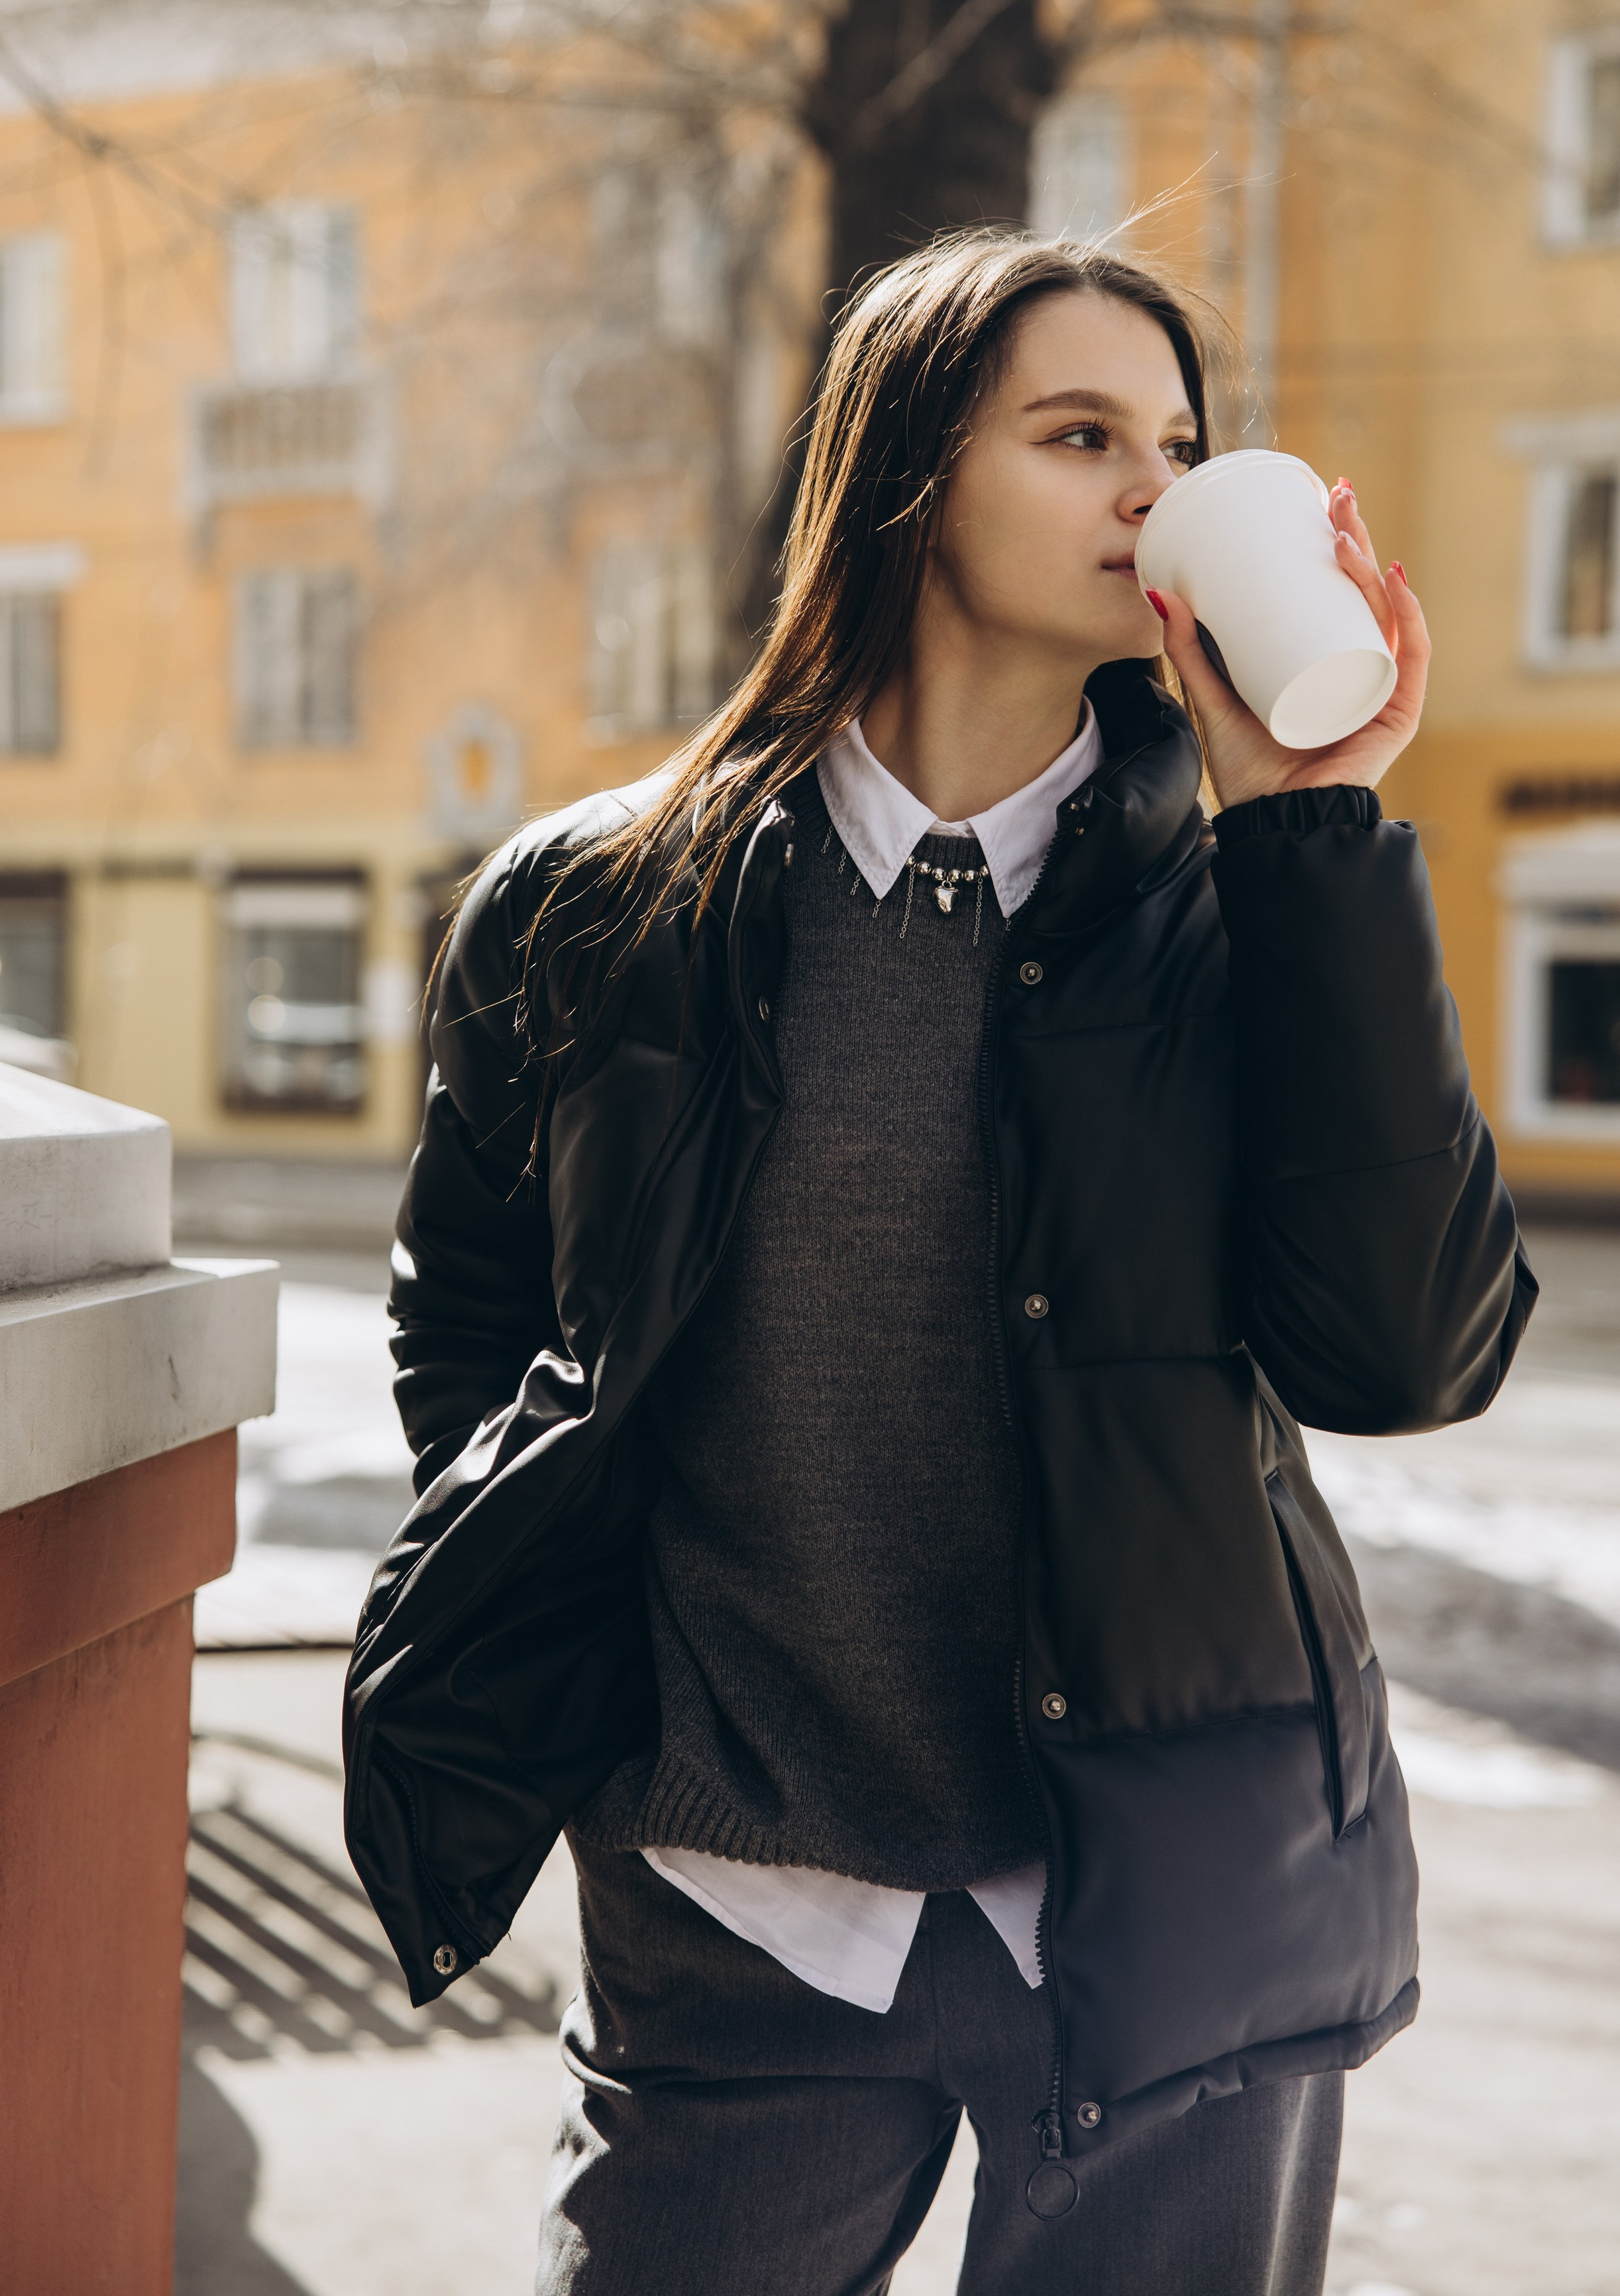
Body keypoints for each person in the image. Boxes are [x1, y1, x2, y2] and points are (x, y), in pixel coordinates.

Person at [345, 230, 1535, 2293]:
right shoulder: (593, 903)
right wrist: (612, 1715)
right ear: (904, 468)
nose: (1156, 492)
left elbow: (1405, 1355)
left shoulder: (1250, 900)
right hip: (731, 1910)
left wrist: (1321, 829)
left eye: (1179, 443)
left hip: (1170, 1918)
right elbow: (470, 1322)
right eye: (1083, 437)